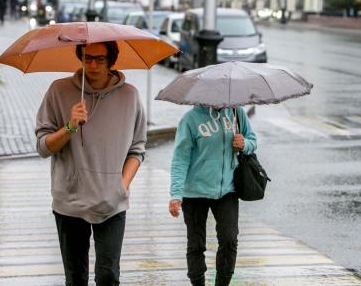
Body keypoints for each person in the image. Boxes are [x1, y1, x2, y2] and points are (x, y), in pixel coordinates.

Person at [35, 41, 147, 285]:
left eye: (100, 59)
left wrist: (122, 186)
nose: (92, 65)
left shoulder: (130, 96)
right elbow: (43, 147)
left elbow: (137, 149)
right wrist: (69, 127)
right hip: (70, 202)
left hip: (112, 202)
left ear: (112, 61)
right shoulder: (59, 91)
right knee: (75, 278)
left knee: (108, 276)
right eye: (87, 58)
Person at [169, 106, 257, 286]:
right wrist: (176, 194)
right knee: (196, 244)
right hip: (194, 192)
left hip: (227, 190)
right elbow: (180, 158)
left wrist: (245, 144)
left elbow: (252, 140)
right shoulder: (190, 119)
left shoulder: (236, 112)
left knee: (229, 240)